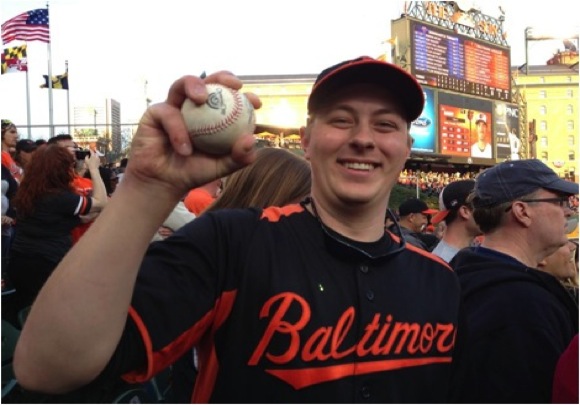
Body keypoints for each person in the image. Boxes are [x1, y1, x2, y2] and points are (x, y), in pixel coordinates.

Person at [15, 58, 463, 403]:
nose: (363, 138)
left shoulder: (440, 282)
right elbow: (48, 367)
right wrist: (147, 188)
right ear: (306, 139)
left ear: (406, 146)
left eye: (385, 125)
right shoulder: (235, 242)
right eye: (341, 119)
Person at [449, 159, 579, 403]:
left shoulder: (463, 274)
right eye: (559, 201)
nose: (569, 210)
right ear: (522, 211)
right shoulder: (522, 305)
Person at [7, 145, 108, 312]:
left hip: (20, 261)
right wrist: (94, 169)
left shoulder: (28, 192)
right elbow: (101, 202)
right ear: (59, 170)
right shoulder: (60, 198)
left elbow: (73, 218)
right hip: (47, 263)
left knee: (27, 311)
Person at [431, 179, 481, 262]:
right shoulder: (444, 262)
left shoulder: (459, 255)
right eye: (484, 205)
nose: (489, 212)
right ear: (465, 212)